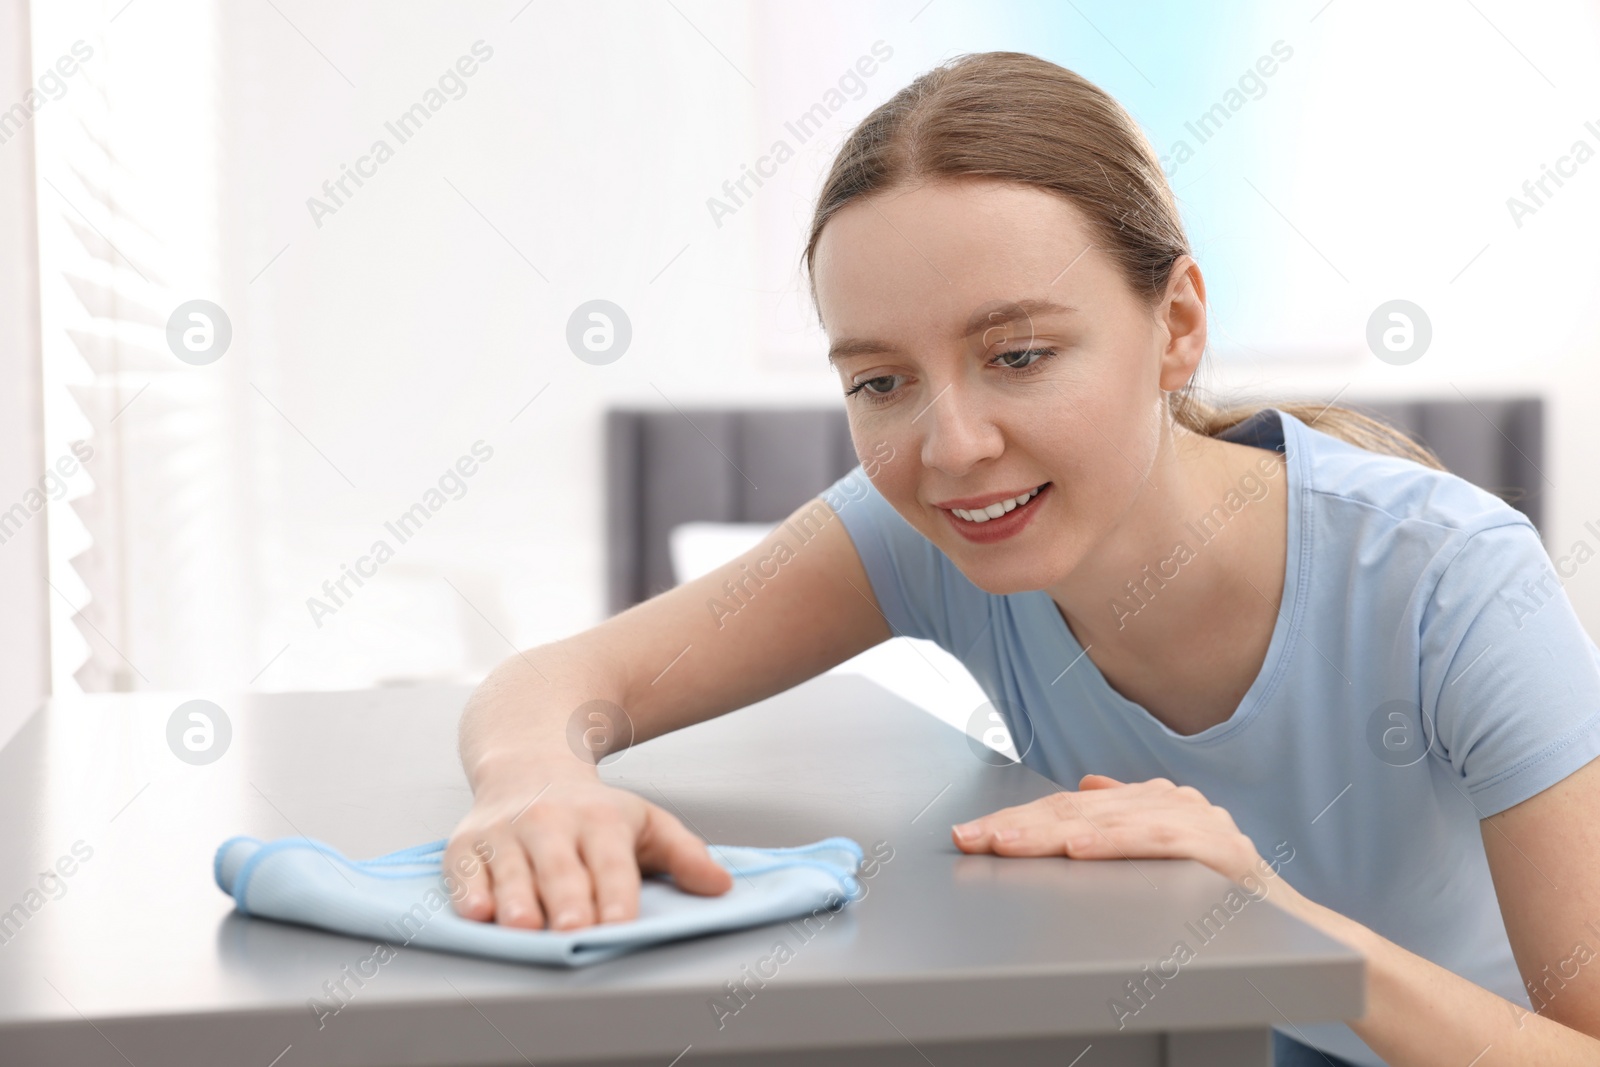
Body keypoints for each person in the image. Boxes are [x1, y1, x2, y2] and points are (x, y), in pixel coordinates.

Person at [446, 52, 1600, 1067]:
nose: (950, 447)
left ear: (1177, 325)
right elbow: (555, 681)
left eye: (1020, 354)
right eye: (879, 381)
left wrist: (1275, 922)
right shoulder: (922, 534)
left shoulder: (1452, 581)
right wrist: (536, 782)